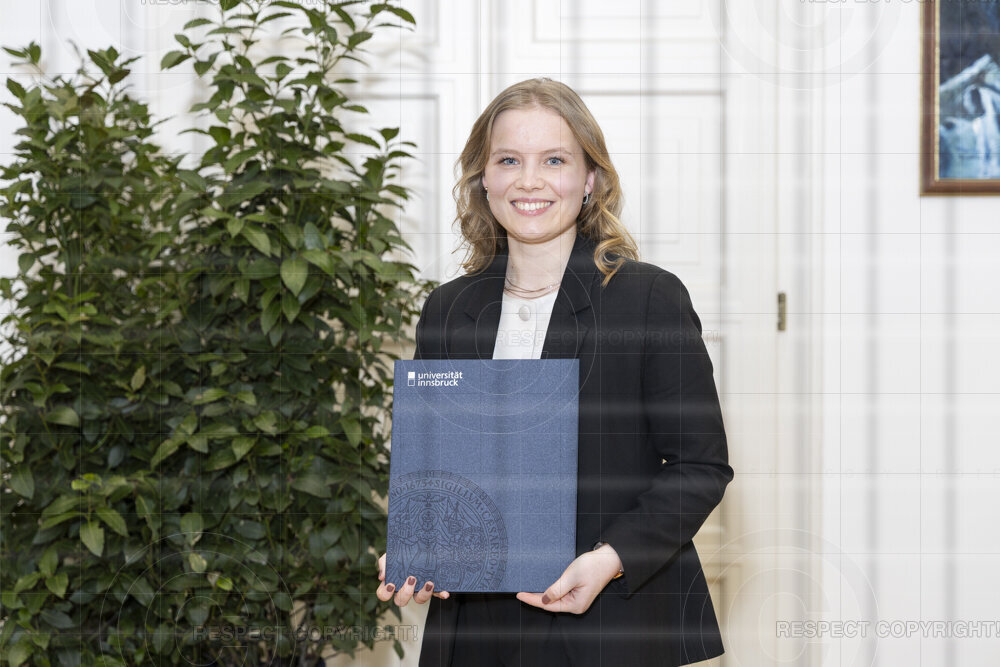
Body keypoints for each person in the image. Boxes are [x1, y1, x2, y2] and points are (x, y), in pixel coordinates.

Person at [376, 78, 733, 667]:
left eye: (554, 160)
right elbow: (440, 469)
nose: (529, 180)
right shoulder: (447, 308)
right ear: (483, 178)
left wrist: (610, 559)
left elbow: (701, 467)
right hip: (475, 633)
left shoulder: (649, 298)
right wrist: (419, 548)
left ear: (590, 179)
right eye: (508, 160)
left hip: (610, 622)